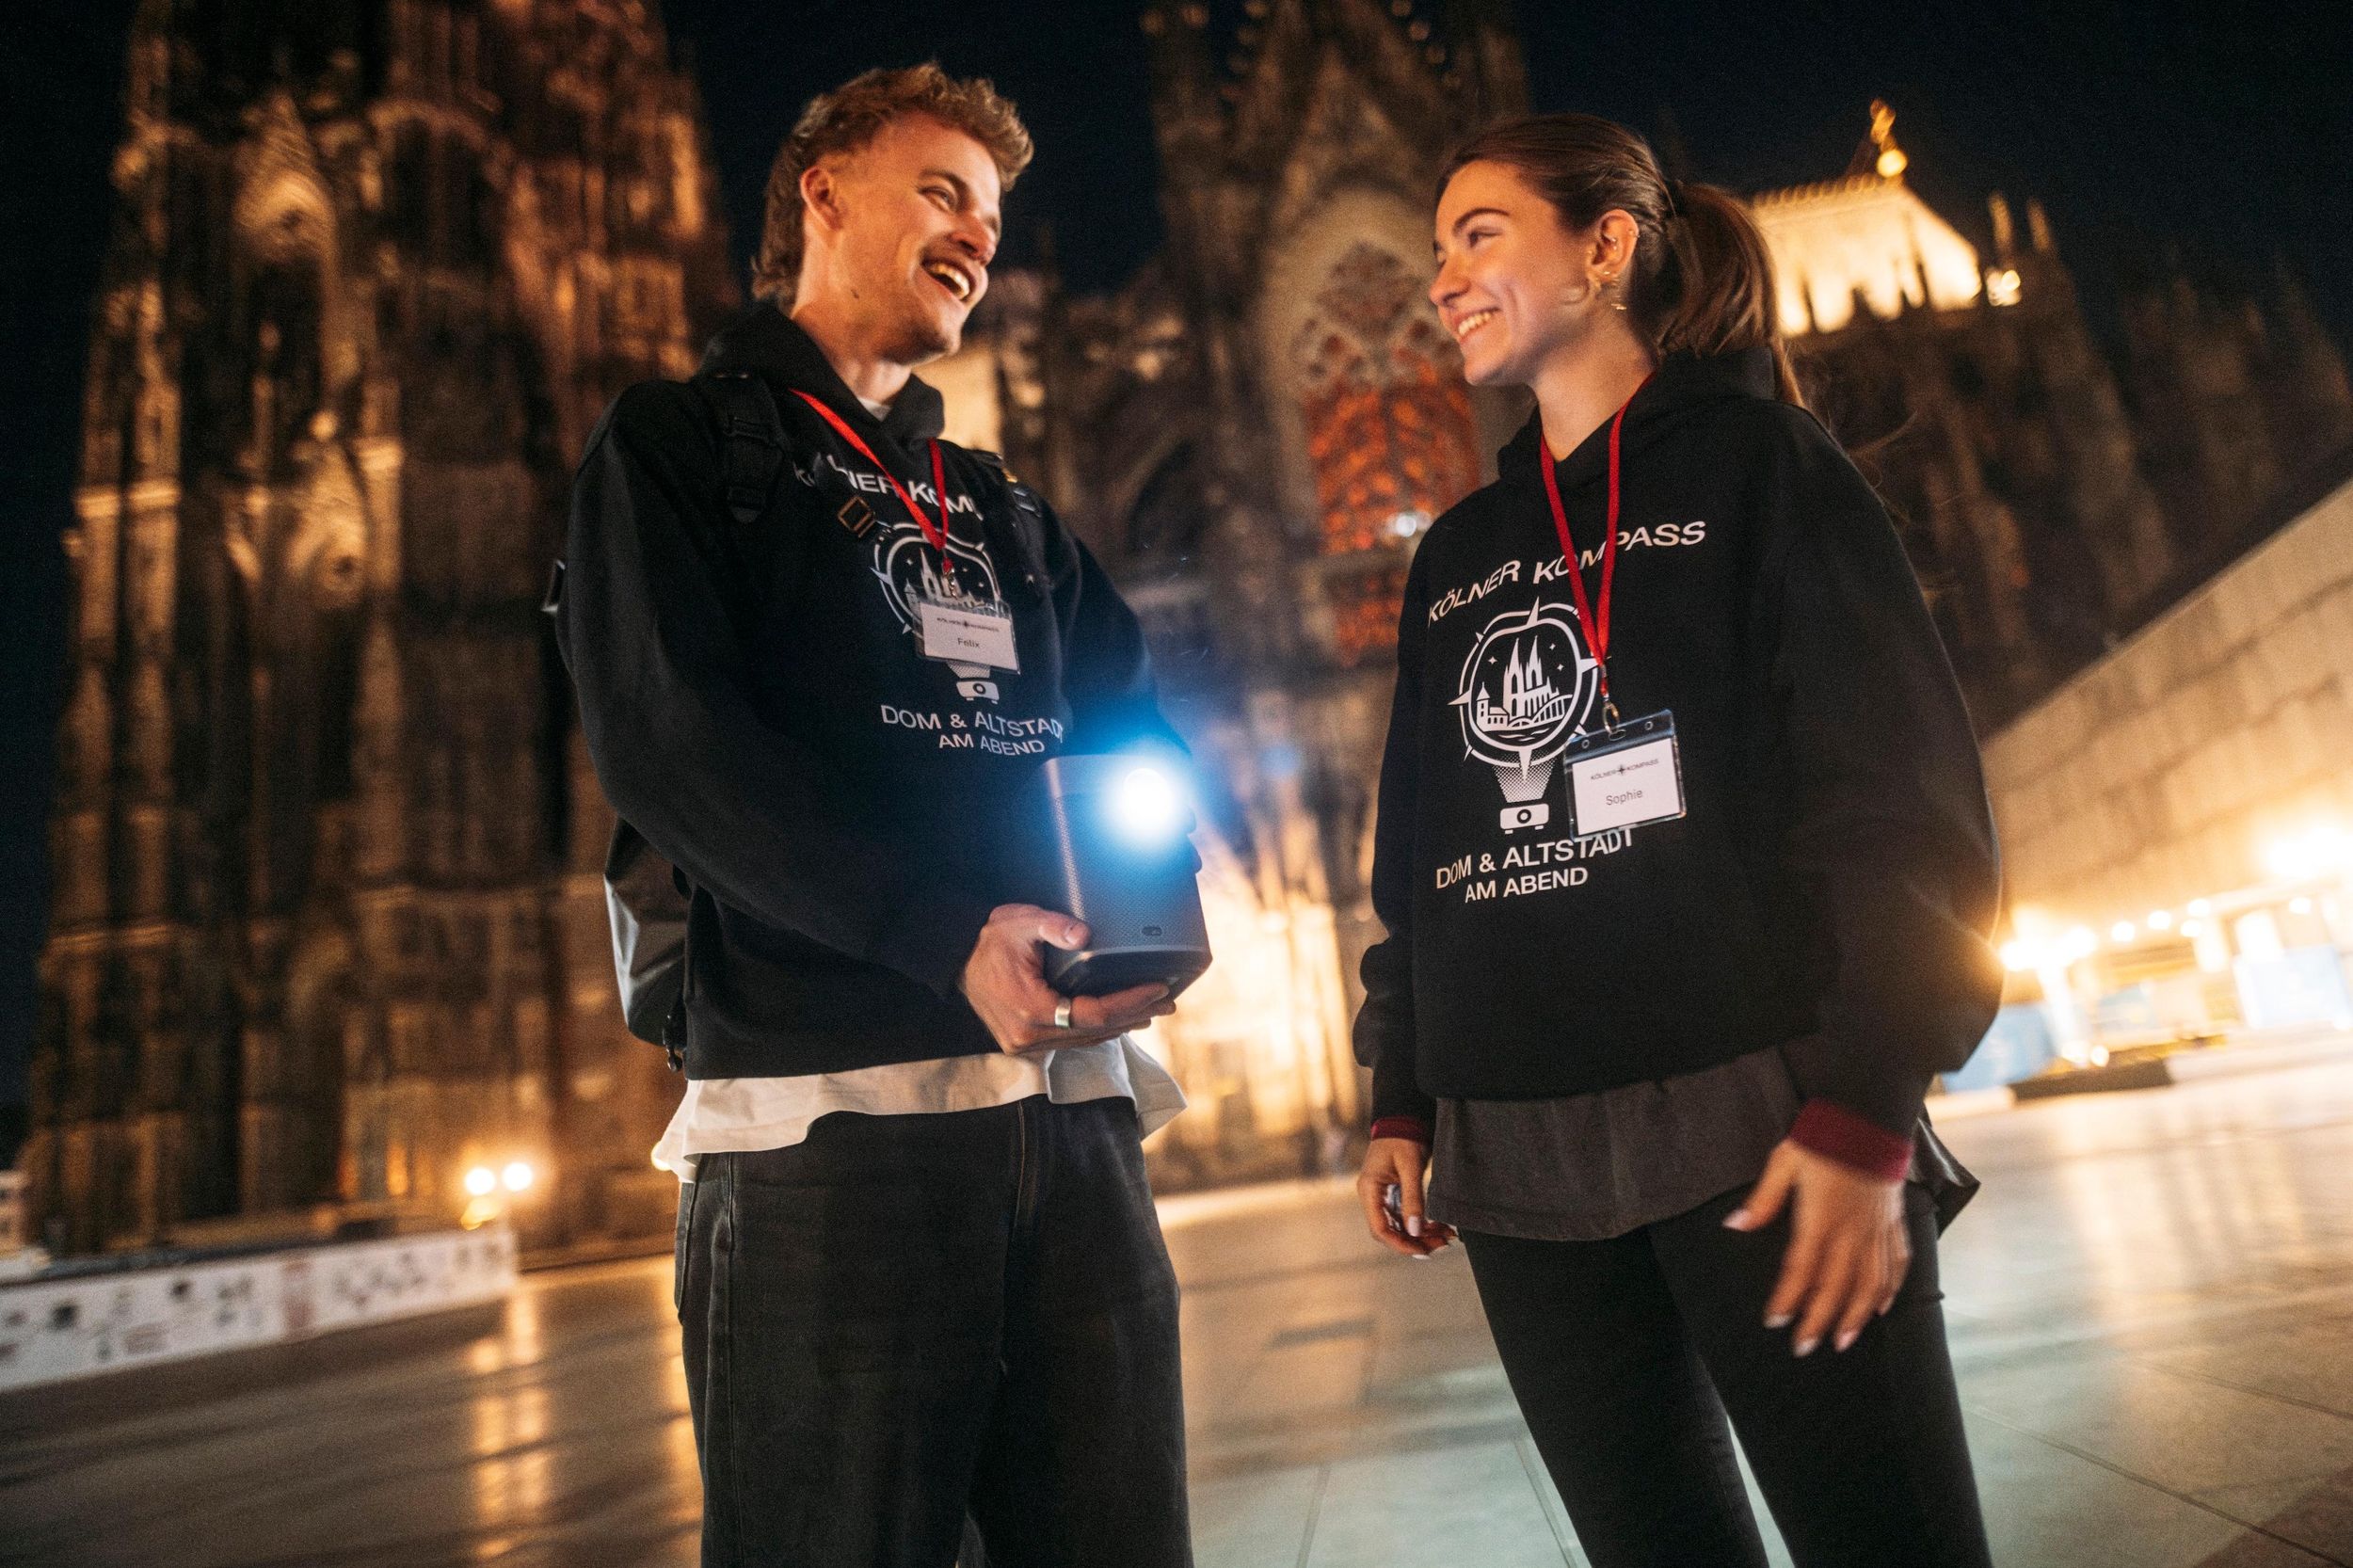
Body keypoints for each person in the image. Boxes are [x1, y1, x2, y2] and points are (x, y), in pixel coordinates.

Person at [558, 64, 1194, 1568]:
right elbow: (670, 744)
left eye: (994, 214)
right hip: (826, 1137)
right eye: (942, 192)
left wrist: (1151, 918)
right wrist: (935, 931)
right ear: (823, 194)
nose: (978, 233)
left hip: (1069, 1122)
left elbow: (1132, 721)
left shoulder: (1000, 504)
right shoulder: (678, 449)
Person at [1352, 112, 2003, 1568]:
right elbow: (1421, 864)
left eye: (1477, 236)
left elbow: (1894, 798)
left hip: (1754, 1119)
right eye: (1436, 247)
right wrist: (1401, 1089)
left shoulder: (1762, 464)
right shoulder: (1457, 553)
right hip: (1515, 1157)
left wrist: (1866, 1100)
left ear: (1605, 247)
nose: (1439, 279)